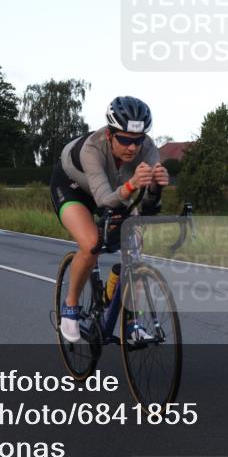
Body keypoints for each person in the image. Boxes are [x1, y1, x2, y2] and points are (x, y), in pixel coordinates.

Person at [50, 96, 169, 343]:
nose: (132, 148)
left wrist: (156, 188)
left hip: (115, 190)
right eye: (124, 140)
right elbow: (104, 200)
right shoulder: (92, 148)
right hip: (74, 188)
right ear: (109, 134)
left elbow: (149, 208)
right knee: (91, 243)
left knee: (134, 245)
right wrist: (133, 184)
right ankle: (70, 305)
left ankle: (132, 321)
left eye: (137, 141)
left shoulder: (148, 149)